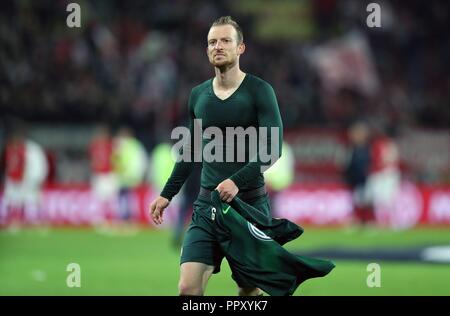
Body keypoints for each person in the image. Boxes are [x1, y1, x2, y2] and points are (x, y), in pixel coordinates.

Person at [149, 16, 333, 296]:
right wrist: (167, 194)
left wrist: (236, 181)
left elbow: (272, 148)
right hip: (206, 207)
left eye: (225, 41)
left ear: (240, 49)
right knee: (188, 288)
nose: (218, 46)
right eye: (212, 42)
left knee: (249, 292)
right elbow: (190, 151)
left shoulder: (260, 92)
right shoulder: (198, 95)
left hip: (249, 207)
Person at [1, 125, 48, 226]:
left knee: (33, 200)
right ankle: (12, 220)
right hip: (15, 179)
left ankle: (36, 221)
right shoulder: (13, 149)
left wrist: (38, 178)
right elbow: (9, 165)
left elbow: (40, 166)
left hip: (29, 179)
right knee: (13, 200)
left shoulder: (31, 149)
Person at [343, 121, 372, 226]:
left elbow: (369, 165)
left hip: (365, 180)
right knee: (357, 201)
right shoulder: (352, 148)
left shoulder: (367, 149)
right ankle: (359, 221)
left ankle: (368, 221)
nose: (352, 136)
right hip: (354, 180)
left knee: (365, 201)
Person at [89, 124, 118, 223]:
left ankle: (111, 219)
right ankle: (99, 219)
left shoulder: (110, 145)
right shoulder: (94, 146)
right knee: (99, 199)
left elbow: (115, 158)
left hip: (109, 174)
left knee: (111, 199)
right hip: (99, 175)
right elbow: (93, 160)